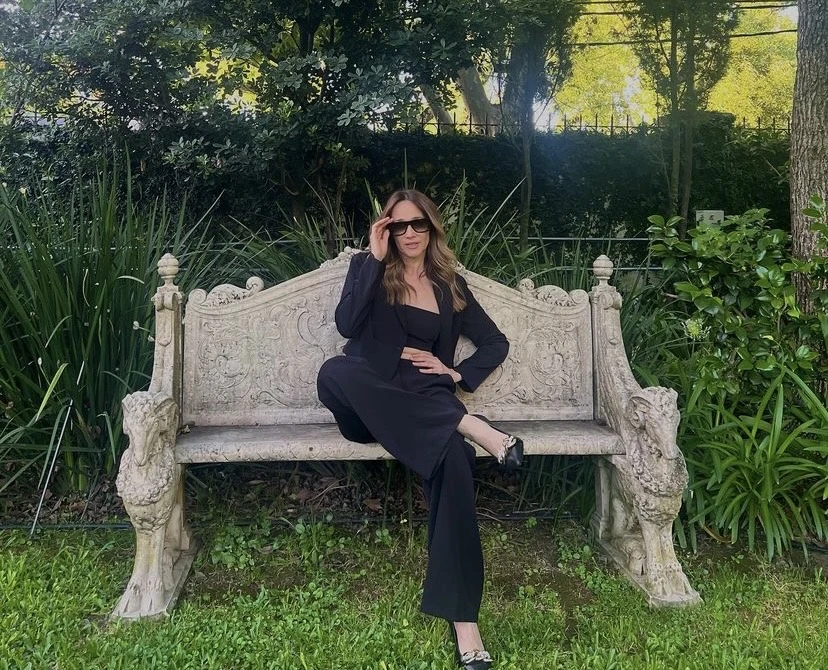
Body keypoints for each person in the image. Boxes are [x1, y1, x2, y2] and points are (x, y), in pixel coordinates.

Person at [316, 189, 524, 670]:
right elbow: (347, 325)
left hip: (427, 402)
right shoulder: (368, 268)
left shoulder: (449, 285)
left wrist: (457, 374)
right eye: (399, 225)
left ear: (432, 229)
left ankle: (464, 621)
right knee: (334, 372)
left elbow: (495, 342)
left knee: (455, 459)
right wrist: (373, 259)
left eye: (418, 224)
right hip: (369, 401)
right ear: (386, 229)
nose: (409, 233)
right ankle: (471, 425)